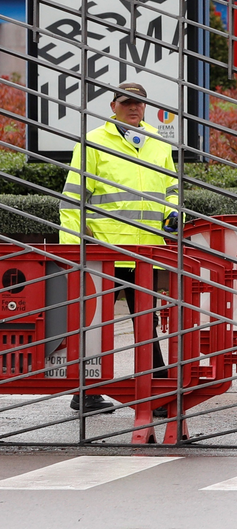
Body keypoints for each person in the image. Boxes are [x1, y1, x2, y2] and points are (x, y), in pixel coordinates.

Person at [59, 82, 178, 414]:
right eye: (127, 103)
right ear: (113, 106)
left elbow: (170, 188)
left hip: (147, 252)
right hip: (105, 252)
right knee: (94, 324)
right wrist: (73, 253)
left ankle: (156, 392)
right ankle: (85, 392)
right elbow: (71, 202)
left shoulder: (158, 142)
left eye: (139, 103)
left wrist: (172, 213)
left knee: (146, 322)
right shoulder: (93, 143)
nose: (133, 108)